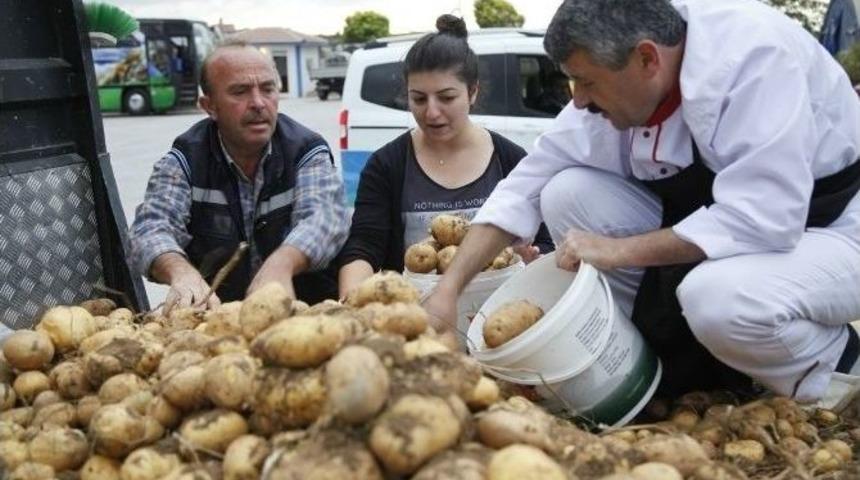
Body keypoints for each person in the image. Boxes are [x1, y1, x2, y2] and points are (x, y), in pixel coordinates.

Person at [424, 0, 860, 407]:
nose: (577, 99)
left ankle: (834, 375)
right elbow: (528, 182)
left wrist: (619, 251)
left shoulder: (754, 60)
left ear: (647, 59)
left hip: (829, 230)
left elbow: (765, 217)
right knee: (566, 191)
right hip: (731, 227)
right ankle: (651, 371)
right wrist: (448, 289)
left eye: (587, 81)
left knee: (719, 300)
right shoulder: (624, 72)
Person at [336, 15, 554, 298]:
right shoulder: (386, 165)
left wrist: (531, 257)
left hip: (494, 316)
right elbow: (364, 246)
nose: (432, 112)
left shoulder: (510, 159)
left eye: (446, 97)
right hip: (416, 324)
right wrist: (349, 302)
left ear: (472, 92)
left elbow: (546, 242)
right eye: (419, 99)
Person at [128, 39, 349, 313]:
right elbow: (150, 229)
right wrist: (181, 272)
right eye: (240, 92)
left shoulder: (305, 150)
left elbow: (325, 218)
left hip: (306, 318)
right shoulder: (184, 160)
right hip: (221, 320)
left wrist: (282, 264)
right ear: (209, 106)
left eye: (268, 89)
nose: (258, 103)